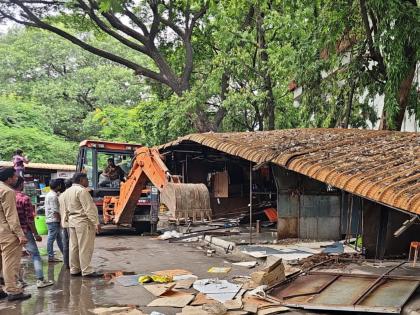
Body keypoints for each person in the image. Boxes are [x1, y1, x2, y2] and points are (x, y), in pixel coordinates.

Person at [13, 176, 54, 288]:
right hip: (24, 231)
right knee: (35, 255)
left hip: (10, 231)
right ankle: (40, 280)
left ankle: (18, 281)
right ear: (21, 184)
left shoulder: (6, 196)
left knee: (14, 256)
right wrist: (36, 234)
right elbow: (30, 219)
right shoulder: (24, 198)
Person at [0, 167, 31, 301]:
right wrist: (20, 235)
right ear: (8, 179)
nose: (16, 178)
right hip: (7, 232)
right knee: (10, 262)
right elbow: (11, 216)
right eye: (14, 176)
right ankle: (13, 290)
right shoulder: (7, 191)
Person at [65, 173, 102, 277]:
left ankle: (75, 269)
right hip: (83, 221)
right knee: (85, 247)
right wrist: (96, 222)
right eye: (86, 179)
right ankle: (87, 270)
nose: (88, 181)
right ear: (81, 180)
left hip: (72, 221)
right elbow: (89, 208)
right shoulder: (82, 191)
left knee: (74, 246)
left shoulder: (67, 191)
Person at [45, 179, 64, 263]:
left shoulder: (50, 194)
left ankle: (65, 254)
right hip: (53, 220)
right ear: (58, 186)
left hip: (51, 220)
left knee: (59, 238)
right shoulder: (53, 196)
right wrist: (60, 221)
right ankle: (51, 257)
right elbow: (55, 211)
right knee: (51, 239)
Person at [58, 179, 72, 269]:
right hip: (70, 222)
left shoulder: (61, 195)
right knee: (73, 245)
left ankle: (66, 263)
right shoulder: (70, 195)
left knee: (65, 244)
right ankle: (72, 264)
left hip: (63, 221)